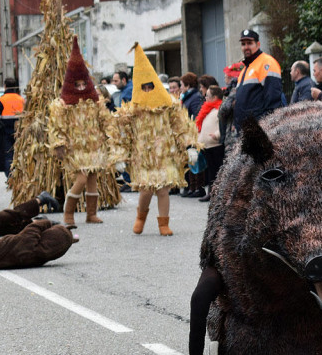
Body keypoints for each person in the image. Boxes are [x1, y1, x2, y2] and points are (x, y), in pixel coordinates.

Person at [108, 43, 199, 236]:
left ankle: (163, 224)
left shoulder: (169, 108)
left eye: (151, 86)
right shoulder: (131, 112)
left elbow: (181, 127)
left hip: (165, 155)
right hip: (144, 158)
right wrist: (120, 158)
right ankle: (140, 217)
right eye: (144, 87)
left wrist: (190, 146)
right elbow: (122, 136)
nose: (148, 90)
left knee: (164, 190)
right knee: (147, 190)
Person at [49, 37, 114, 228]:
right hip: (75, 148)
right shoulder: (62, 106)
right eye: (75, 85)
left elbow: (106, 121)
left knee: (93, 177)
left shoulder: (95, 103)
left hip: (95, 146)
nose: (79, 88)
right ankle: (68, 214)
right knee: (82, 178)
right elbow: (56, 126)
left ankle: (91, 214)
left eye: (82, 84)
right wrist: (59, 142)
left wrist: (112, 138)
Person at [232, 29, 284, 131]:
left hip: (259, 129)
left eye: (250, 43)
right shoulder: (246, 68)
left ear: (258, 44)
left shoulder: (267, 62)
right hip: (246, 129)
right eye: (243, 44)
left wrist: (265, 126)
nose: (246, 47)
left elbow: (273, 101)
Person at [196, 85, 224, 202]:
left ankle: (217, 194)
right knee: (211, 171)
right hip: (207, 145)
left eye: (207, 95)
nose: (205, 97)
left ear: (215, 97)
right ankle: (211, 193)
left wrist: (217, 135)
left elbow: (223, 126)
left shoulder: (220, 109)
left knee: (217, 170)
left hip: (216, 145)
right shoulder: (208, 108)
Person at [0, 78, 24, 177]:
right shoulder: (21, 99)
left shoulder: (2, 99)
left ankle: (10, 177)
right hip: (20, 131)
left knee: (8, 155)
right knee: (19, 154)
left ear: (5, 86)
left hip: (5, 132)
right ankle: (19, 177)